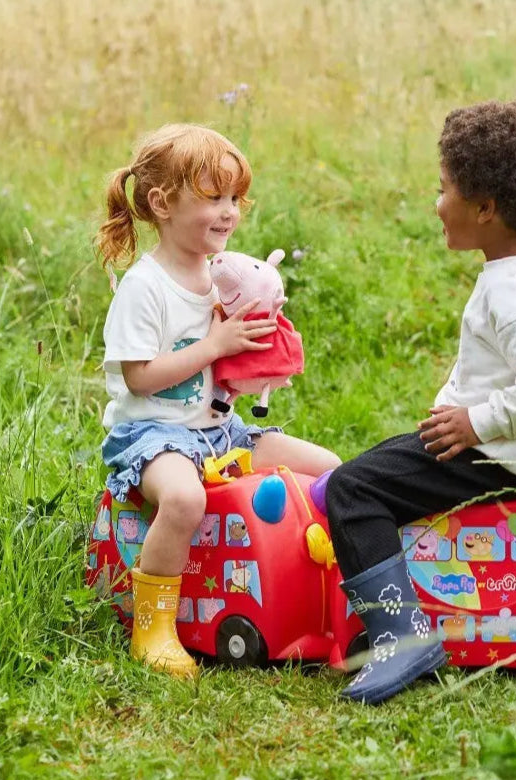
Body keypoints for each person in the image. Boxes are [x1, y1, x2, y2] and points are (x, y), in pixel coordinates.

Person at [324, 101, 516, 705]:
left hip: (497, 458)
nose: (436, 203)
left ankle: (400, 637)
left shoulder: (510, 287)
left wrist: (482, 423)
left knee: (353, 488)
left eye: (443, 189)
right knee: (386, 460)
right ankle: (406, 603)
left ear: (485, 209)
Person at [95, 124, 341, 678]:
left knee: (327, 469)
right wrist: (213, 345)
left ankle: (325, 596)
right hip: (152, 435)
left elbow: (224, 369)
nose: (230, 212)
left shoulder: (221, 275)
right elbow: (139, 378)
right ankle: (152, 626)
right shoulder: (146, 286)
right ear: (162, 203)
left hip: (219, 433)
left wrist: (254, 361)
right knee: (183, 500)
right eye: (213, 197)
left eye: (235, 198)